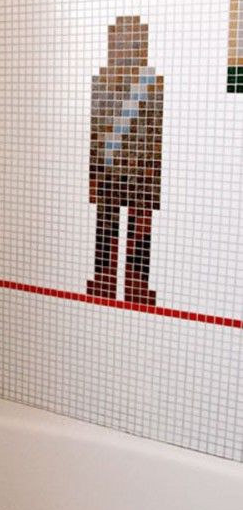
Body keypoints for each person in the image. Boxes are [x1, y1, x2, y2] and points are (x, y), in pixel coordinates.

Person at [87, 16, 163, 306]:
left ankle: (137, 287)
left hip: (141, 173)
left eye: (131, 41)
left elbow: (156, 129)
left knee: (138, 235)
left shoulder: (151, 83)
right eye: (119, 41)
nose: (124, 47)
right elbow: (95, 129)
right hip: (109, 171)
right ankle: (104, 283)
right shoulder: (102, 82)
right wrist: (95, 173)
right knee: (105, 231)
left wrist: (150, 170)